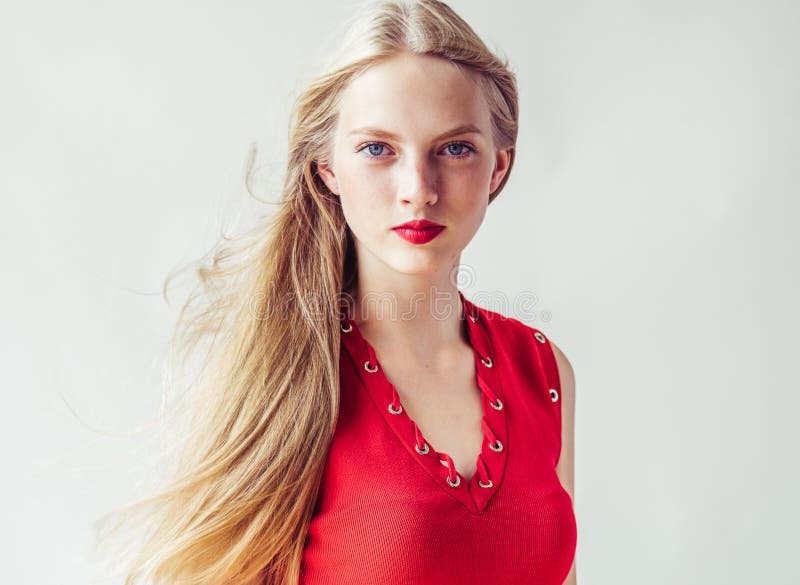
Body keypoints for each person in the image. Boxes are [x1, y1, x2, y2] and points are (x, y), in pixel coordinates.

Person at [95, 1, 577, 584]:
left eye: (454, 148)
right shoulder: (285, 370)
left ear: (498, 168)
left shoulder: (545, 371)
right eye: (378, 149)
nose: (417, 189)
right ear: (327, 168)